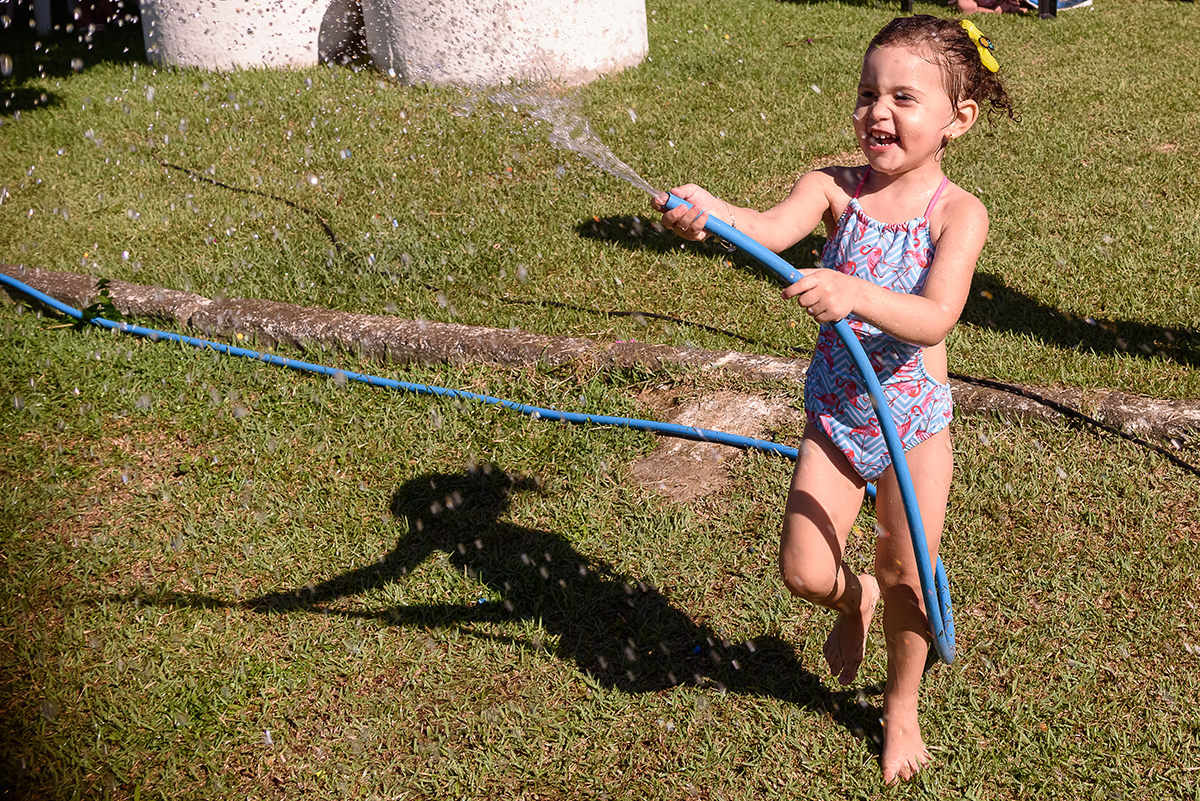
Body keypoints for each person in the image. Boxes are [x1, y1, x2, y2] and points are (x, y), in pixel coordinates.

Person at [652, 15, 1014, 784]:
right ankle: (855, 602)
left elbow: (934, 316)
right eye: (867, 93)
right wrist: (709, 214)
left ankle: (901, 703)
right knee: (805, 572)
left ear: (959, 119)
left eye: (904, 98)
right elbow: (766, 228)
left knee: (909, 570)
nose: (878, 111)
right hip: (837, 415)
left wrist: (853, 290)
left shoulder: (959, 213)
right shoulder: (833, 189)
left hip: (913, 423)